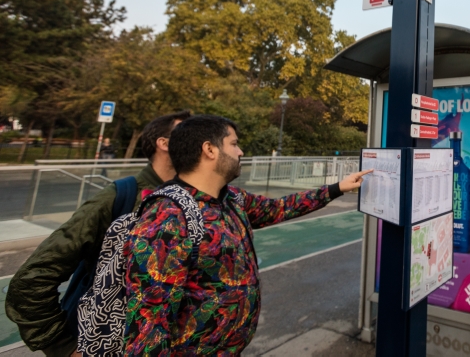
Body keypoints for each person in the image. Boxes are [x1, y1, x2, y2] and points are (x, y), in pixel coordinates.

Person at [122, 115, 372, 354]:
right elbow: (148, 328)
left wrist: (337, 188)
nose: (240, 151)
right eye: (233, 144)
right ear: (210, 150)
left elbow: (279, 208)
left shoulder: (231, 198)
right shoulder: (167, 220)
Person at [5, 110, 191, 356]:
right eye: (187, 133)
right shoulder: (119, 197)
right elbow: (31, 279)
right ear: (163, 144)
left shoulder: (192, 201)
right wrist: (66, 348)